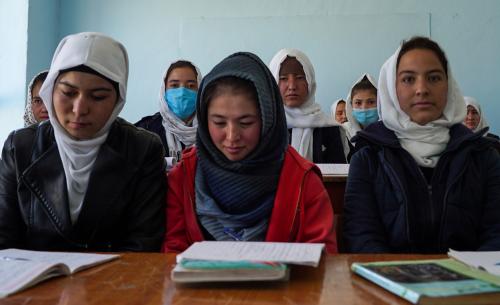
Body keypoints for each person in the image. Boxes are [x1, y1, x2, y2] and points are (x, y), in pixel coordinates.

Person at [0, 32, 166, 252]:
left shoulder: (143, 149)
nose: (79, 109)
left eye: (98, 97)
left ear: (118, 100)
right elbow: (4, 242)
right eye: (68, 93)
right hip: (33, 283)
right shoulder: (19, 147)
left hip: (113, 283)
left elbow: (142, 246)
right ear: (50, 90)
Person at [163, 52, 337, 253]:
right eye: (219, 122)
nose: (232, 136)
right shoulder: (184, 176)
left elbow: (324, 260)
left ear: (267, 119)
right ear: (203, 119)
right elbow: (171, 255)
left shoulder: (302, 179)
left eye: (246, 123)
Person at [344, 36, 500, 253]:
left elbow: (495, 235)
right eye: (408, 79)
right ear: (391, 88)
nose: (422, 89)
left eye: (434, 78)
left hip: (472, 283)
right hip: (387, 282)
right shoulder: (368, 157)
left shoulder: (483, 156)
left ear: (449, 85)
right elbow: (363, 237)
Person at [269, 49, 349, 163]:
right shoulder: (268, 127)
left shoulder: (328, 128)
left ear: (310, 81)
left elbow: (336, 175)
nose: (292, 86)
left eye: (300, 77)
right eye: (283, 78)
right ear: (273, 82)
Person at [135, 60, 202, 168]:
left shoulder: (212, 129)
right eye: (174, 85)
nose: (182, 93)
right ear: (164, 90)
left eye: (190, 86)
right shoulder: (144, 131)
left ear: (200, 90)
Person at [343, 73, 378, 140]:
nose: (364, 108)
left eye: (371, 102)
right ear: (351, 106)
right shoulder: (344, 131)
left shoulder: (391, 131)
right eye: (358, 103)